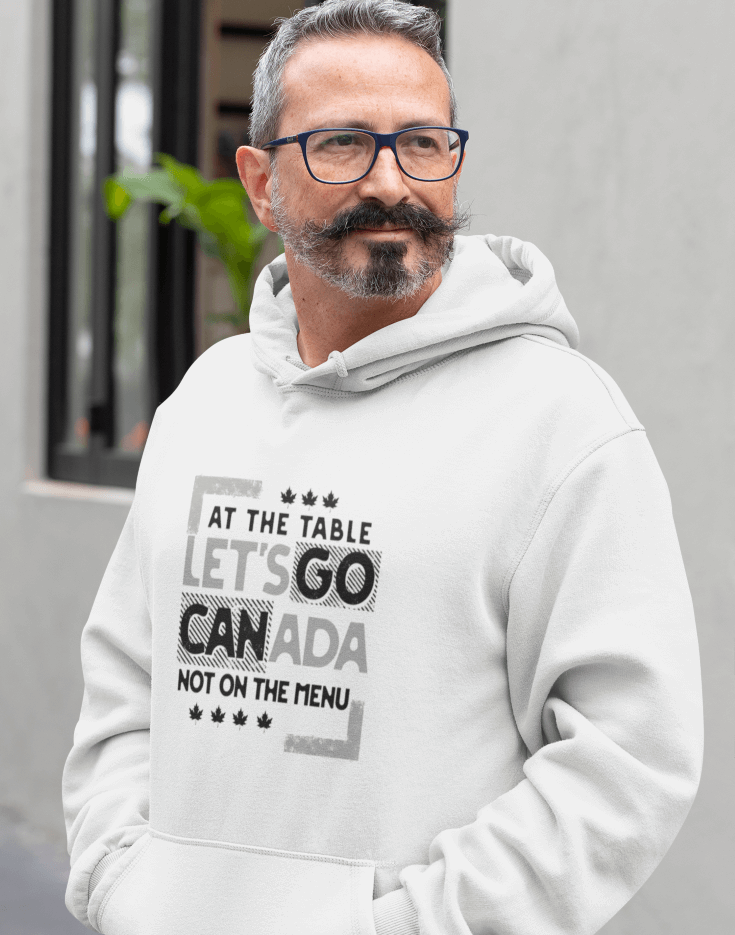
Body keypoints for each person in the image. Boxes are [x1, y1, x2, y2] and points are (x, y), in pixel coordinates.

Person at [63, 2, 703, 934]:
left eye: (422, 143)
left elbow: (627, 760)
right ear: (258, 180)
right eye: (343, 144)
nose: (392, 181)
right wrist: (124, 884)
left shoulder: (562, 423)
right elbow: (126, 682)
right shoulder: (204, 402)